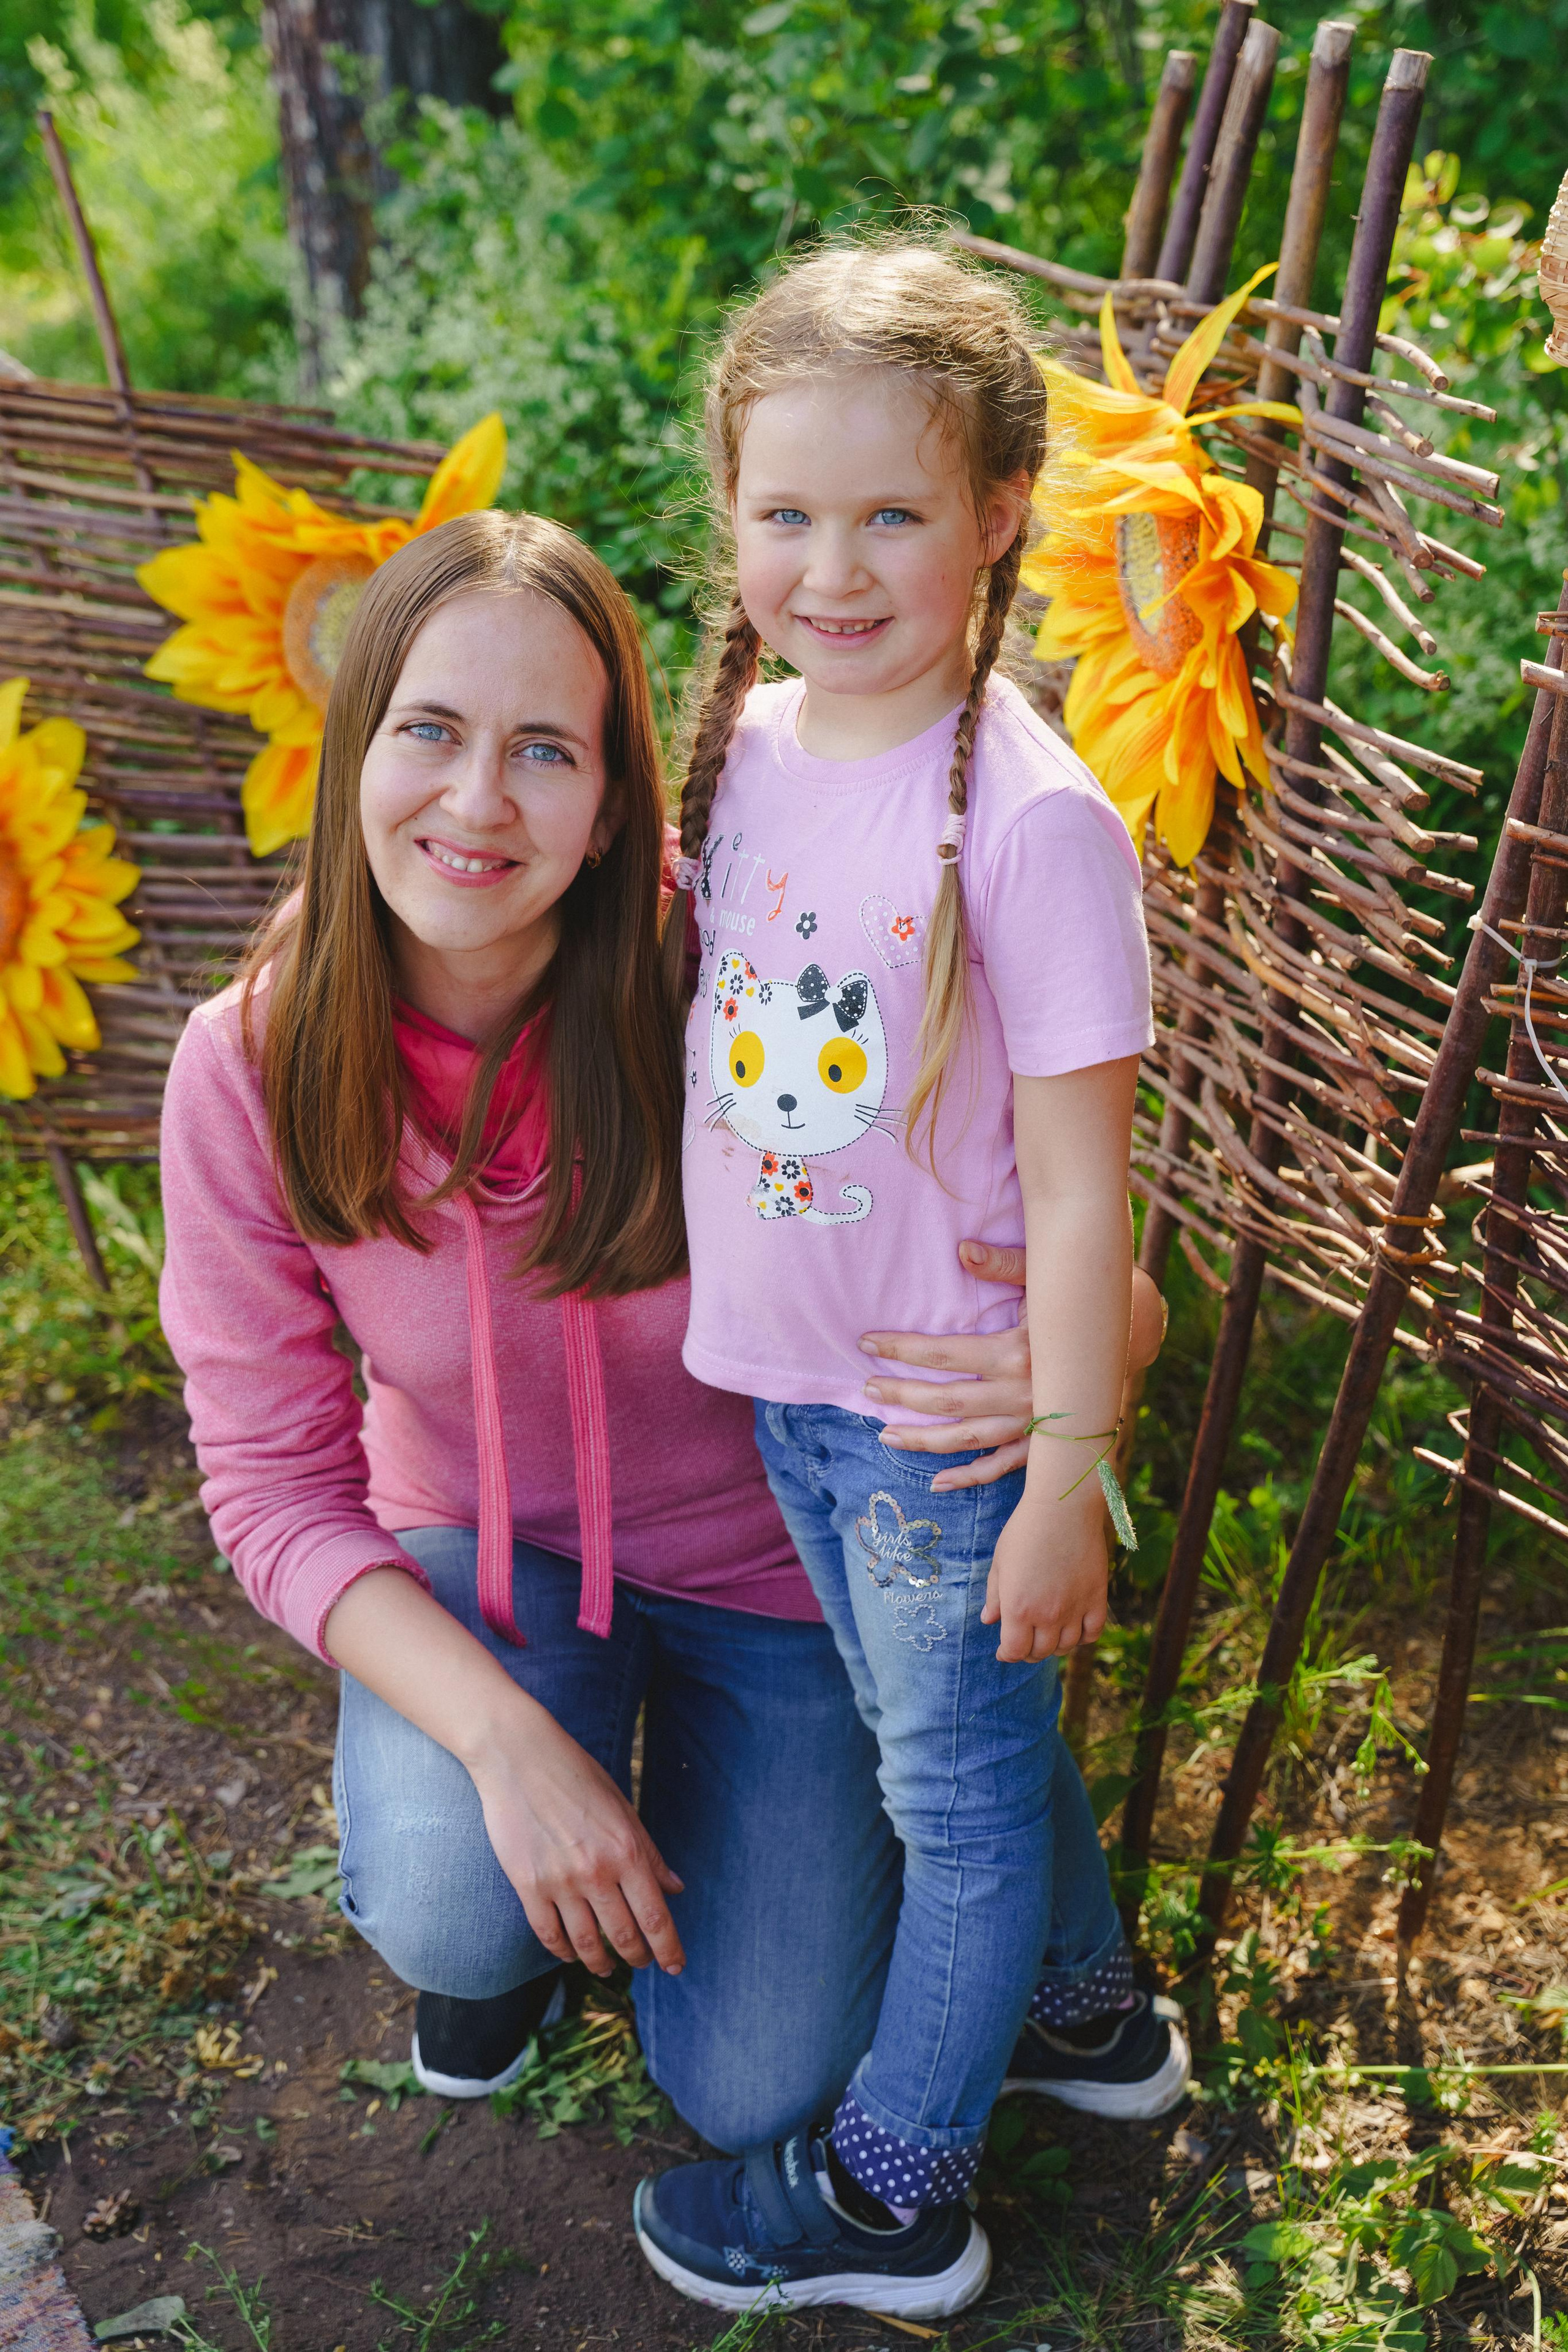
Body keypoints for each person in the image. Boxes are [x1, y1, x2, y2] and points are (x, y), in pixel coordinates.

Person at [157, 508, 1160, 2164]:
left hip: (783, 1569)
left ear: (617, 797)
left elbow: (1012, 1205)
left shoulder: (735, 965)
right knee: (448, 1902)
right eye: (430, 732)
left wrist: (1112, 1336)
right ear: (354, 747)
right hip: (485, 1563)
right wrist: (505, 1746)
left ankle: (817, 1853)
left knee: (760, 2083)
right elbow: (270, 1487)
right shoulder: (251, 1063)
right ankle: (511, 1917)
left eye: (545, 751)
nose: (478, 804)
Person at [635, 238, 1186, 2324]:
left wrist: (1066, 1463)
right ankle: (1091, 2023)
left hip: (933, 1430)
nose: (833, 566)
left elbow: (1077, 1193)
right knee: (959, 1747)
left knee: (945, 1807)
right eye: (787, 513)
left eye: (891, 515)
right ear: (734, 520)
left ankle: (895, 2192)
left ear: (1000, 518)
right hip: (782, 1394)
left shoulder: (1034, 828)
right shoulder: (760, 743)